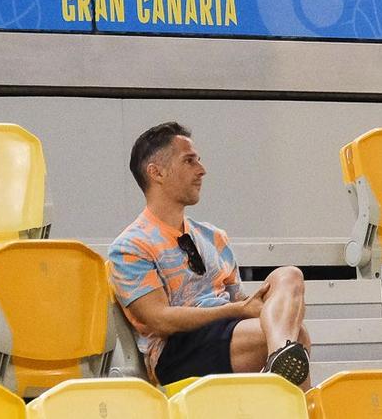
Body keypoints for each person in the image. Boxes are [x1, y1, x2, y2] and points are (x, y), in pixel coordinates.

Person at [107, 122, 312, 386]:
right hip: (177, 349)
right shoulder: (130, 246)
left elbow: (238, 300)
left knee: (289, 275)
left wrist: (250, 306)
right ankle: (281, 359)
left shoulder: (213, 236)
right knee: (295, 335)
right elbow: (159, 320)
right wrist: (237, 309)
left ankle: (279, 355)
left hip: (226, 330)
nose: (201, 170)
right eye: (189, 161)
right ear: (156, 172)